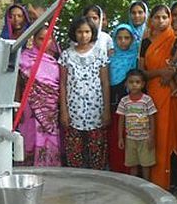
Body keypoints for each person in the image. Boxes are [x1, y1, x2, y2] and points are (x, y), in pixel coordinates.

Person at [139, 5, 177, 190]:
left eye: (164, 17)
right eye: (157, 17)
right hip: (155, 94)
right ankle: (160, 180)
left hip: (175, 94)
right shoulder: (145, 43)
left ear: (170, 19)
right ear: (151, 19)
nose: (161, 21)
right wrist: (160, 72)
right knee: (158, 135)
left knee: (176, 134)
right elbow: (142, 73)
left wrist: (173, 71)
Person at [59, 16, 111, 170]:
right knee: (75, 153)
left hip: (96, 111)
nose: (83, 35)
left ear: (92, 32)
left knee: (97, 153)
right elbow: (62, 84)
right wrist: (64, 111)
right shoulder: (66, 55)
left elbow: (105, 82)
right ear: (74, 33)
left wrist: (107, 110)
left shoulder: (100, 53)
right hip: (74, 112)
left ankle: (97, 187)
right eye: (80, 32)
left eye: (87, 31)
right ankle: (77, 187)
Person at [15, 26, 62, 167]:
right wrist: (18, 107)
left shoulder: (55, 61)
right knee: (30, 138)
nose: (45, 42)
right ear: (34, 40)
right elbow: (18, 85)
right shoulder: (25, 58)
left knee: (49, 141)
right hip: (29, 109)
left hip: (51, 111)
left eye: (48, 39)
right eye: (41, 38)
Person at [108, 24, 140, 173]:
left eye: (127, 38)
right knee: (116, 137)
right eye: (119, 38)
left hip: (133, 106)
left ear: (132, 39)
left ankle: (131, 172)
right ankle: (117, 170)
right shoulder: (110, 58)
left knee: (132, 137)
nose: (123, 41)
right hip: (113, 105)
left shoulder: (136, 57)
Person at [117, 69, 157, 179]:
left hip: (145, 138)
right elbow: (121, 119)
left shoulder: (147, 100)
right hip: (130, 139)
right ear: (126, 83)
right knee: (132, 164)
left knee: (146, 165)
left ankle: (146, 186)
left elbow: (152, 118)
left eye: (137, 82)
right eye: (131, 82)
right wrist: (120, 137)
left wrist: (152, 137)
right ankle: (135, 186)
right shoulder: (124, 101)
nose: (134, 85)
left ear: (143, 84)